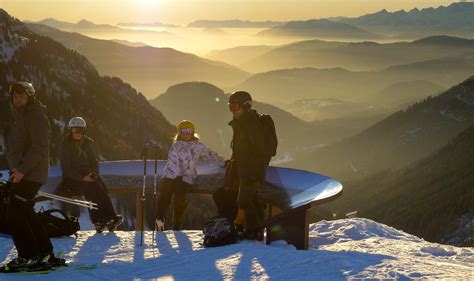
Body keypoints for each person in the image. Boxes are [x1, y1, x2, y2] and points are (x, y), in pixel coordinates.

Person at [4, 82, 65, 271]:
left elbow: (39, 147)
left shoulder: (36, 116)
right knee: (26, 212)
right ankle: (45, 252)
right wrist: (16, 169)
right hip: (24, 172)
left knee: (14, 214)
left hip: (30, 173)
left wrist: (22, 170)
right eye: (14, 97)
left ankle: (29, 256)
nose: (17, 99)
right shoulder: (22, 116)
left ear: (30, 96)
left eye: (21, 96)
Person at [155, 120, 225, 231]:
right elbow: (173, 162)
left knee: (180, 199)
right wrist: (176, 176)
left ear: (193, 132)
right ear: (179, 132)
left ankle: (176, 224)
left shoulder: (199, 146)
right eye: (183, 131)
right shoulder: (176, 146)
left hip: (186, 177)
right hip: (170, 175)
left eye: (189, 130)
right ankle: (160, 219)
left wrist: (223, 162)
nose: (186, 133)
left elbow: (209, 155)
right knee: (165, 195)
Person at [59, 117, 123, 233]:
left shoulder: (88, 143)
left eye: (80, 130)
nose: (78, 133)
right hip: (73, 178)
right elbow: (66, 168)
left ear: (84, 131)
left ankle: (110, 217)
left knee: (101, 189)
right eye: (75, 130)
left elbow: (94, 161)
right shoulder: (66, 145)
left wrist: (94, 174)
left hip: (87, 173)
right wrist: (83, 178)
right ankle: (99, 221)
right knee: (91, 191)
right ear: (70, 130)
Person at [227, 91, 274, 241]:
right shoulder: (241, 124)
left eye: (235, 106)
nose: (232, 110)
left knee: (244, 201)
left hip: (252, 170)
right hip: (244, 169)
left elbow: (260, 150)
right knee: (253, 200)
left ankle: (254, 232)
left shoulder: (252, 125)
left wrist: (254, 169)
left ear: (245, 106)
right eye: (230, 107)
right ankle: (257, 231)